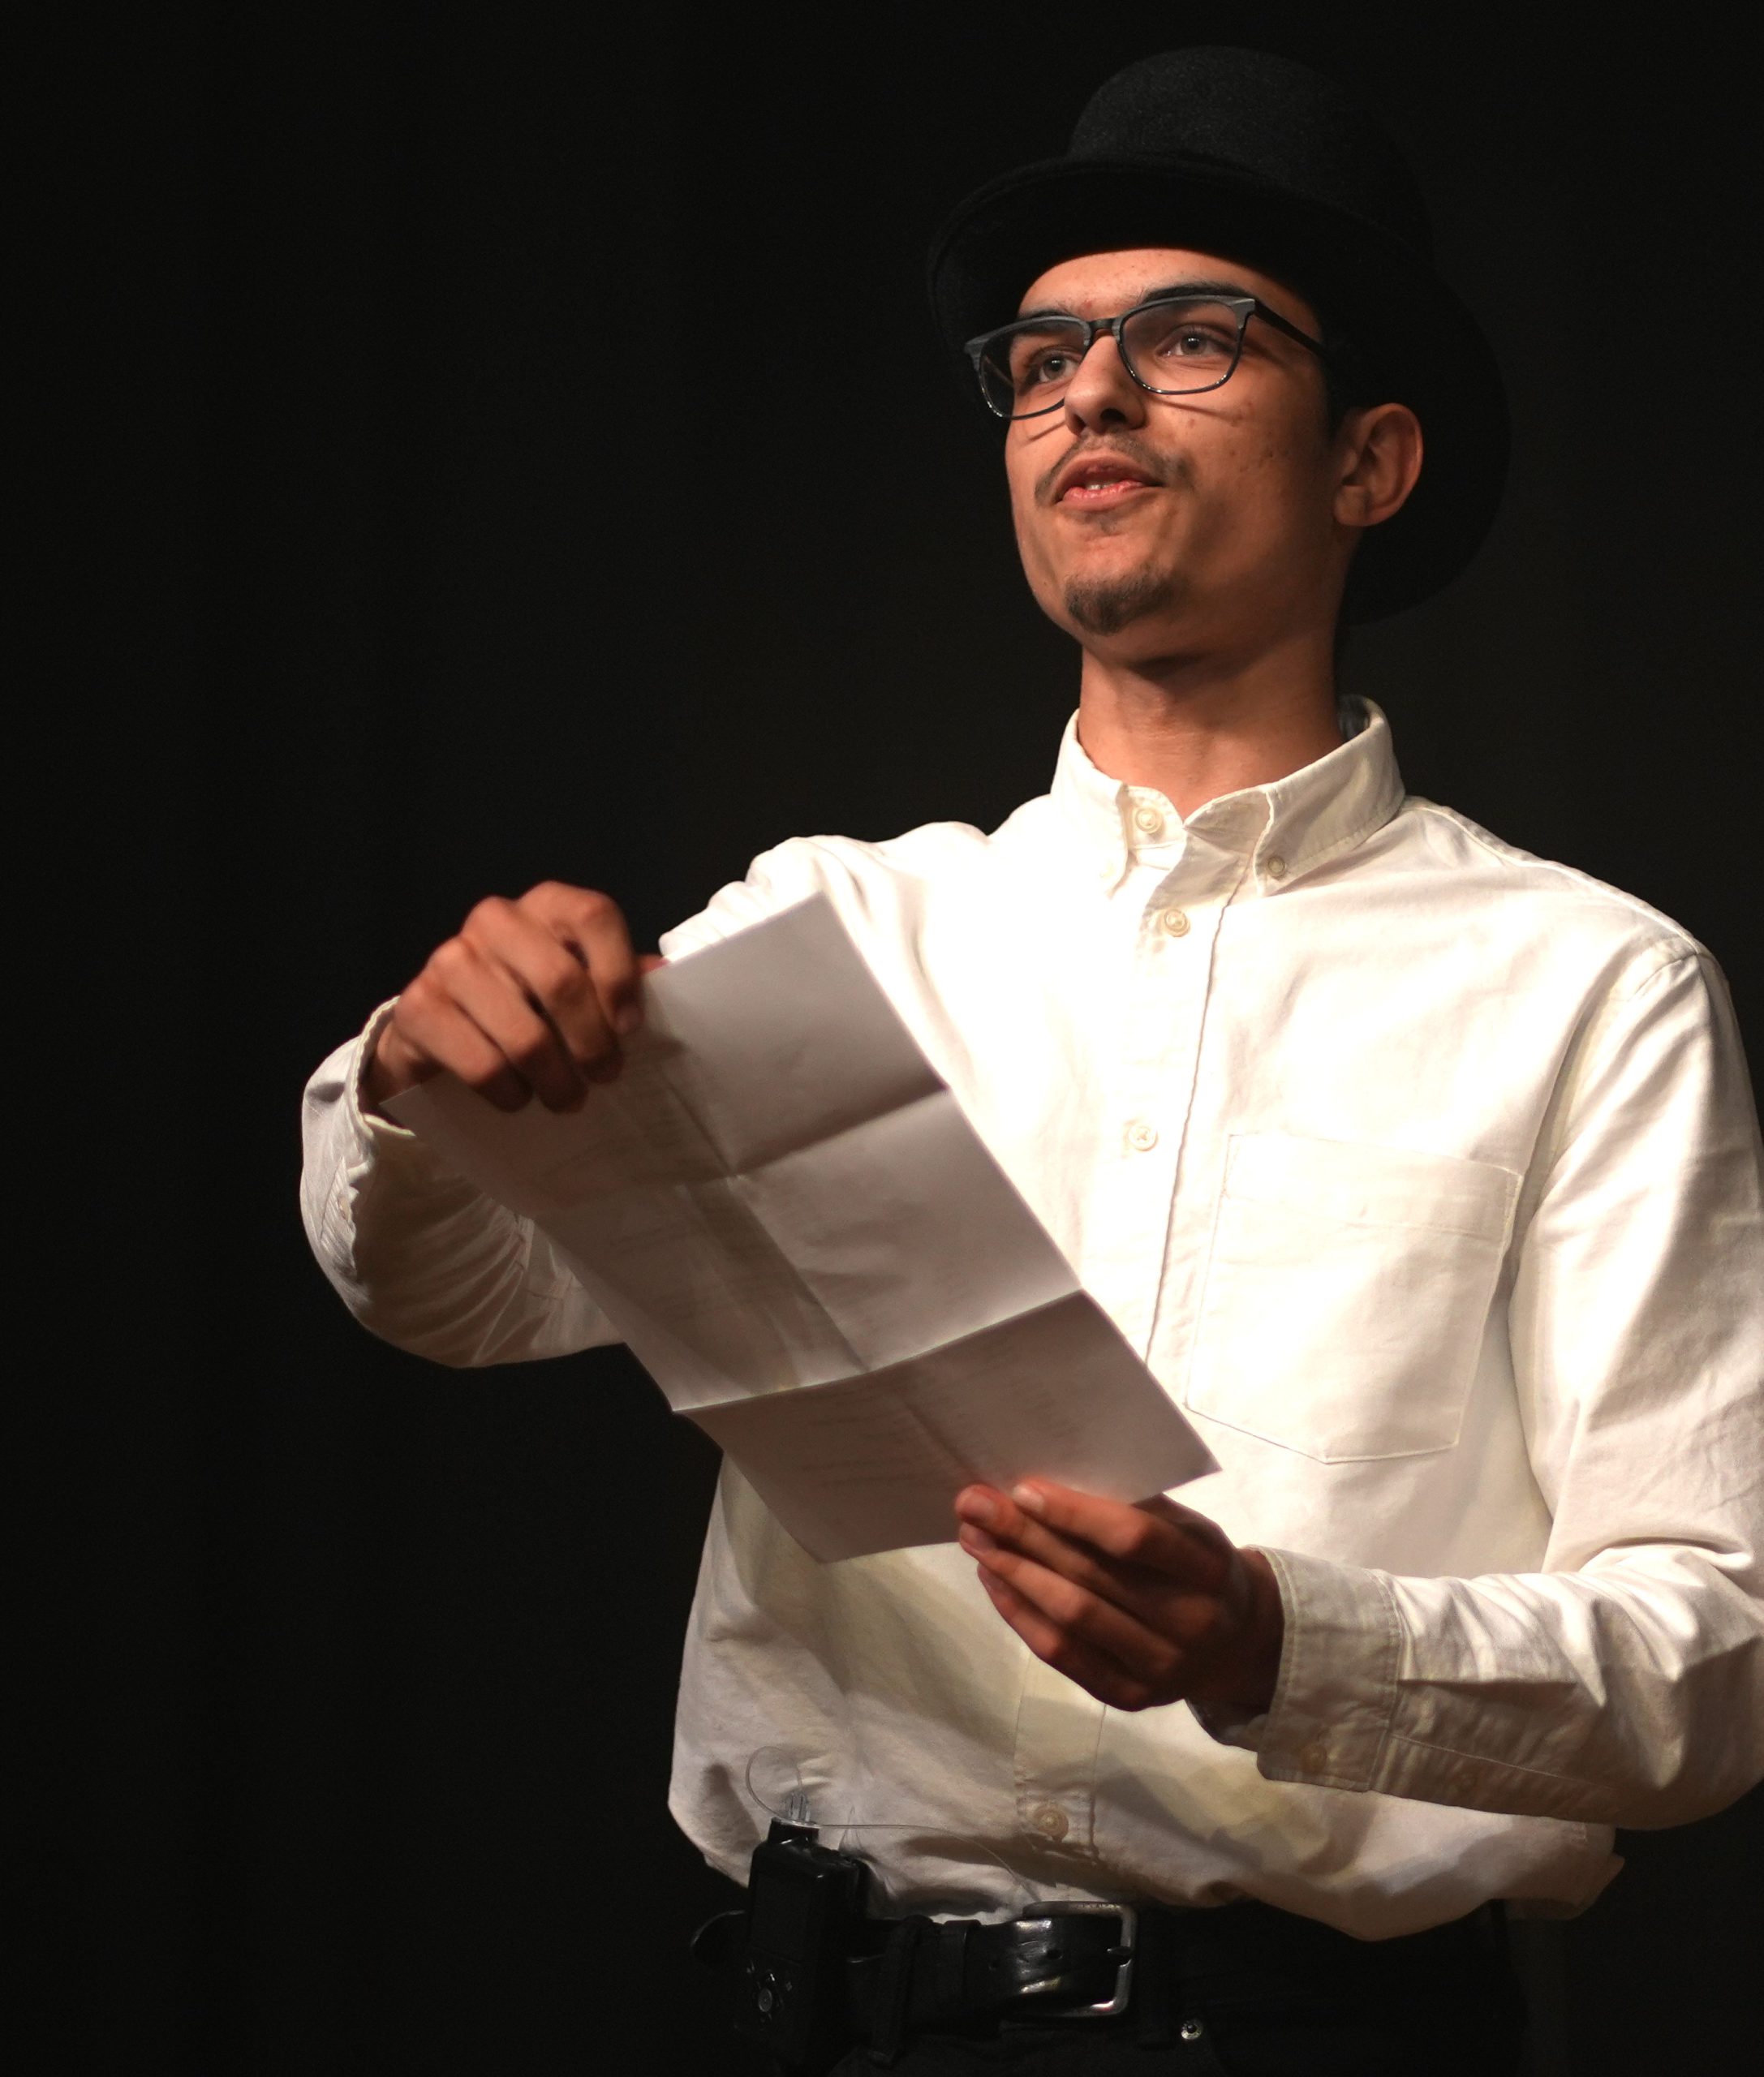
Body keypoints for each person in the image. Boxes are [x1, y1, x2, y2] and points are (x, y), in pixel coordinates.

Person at [299, 46, 1764, 2075]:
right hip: (832, 2021)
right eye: (1045, 354)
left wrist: (1282, 1642)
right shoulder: (837, 924)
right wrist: (420, 1072)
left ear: (1369, 460)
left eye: (1190, 338)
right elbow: (454, 1291)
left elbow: (1713, 1652)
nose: (1090, 393)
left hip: (1320, 2038)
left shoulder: (1585, 981)